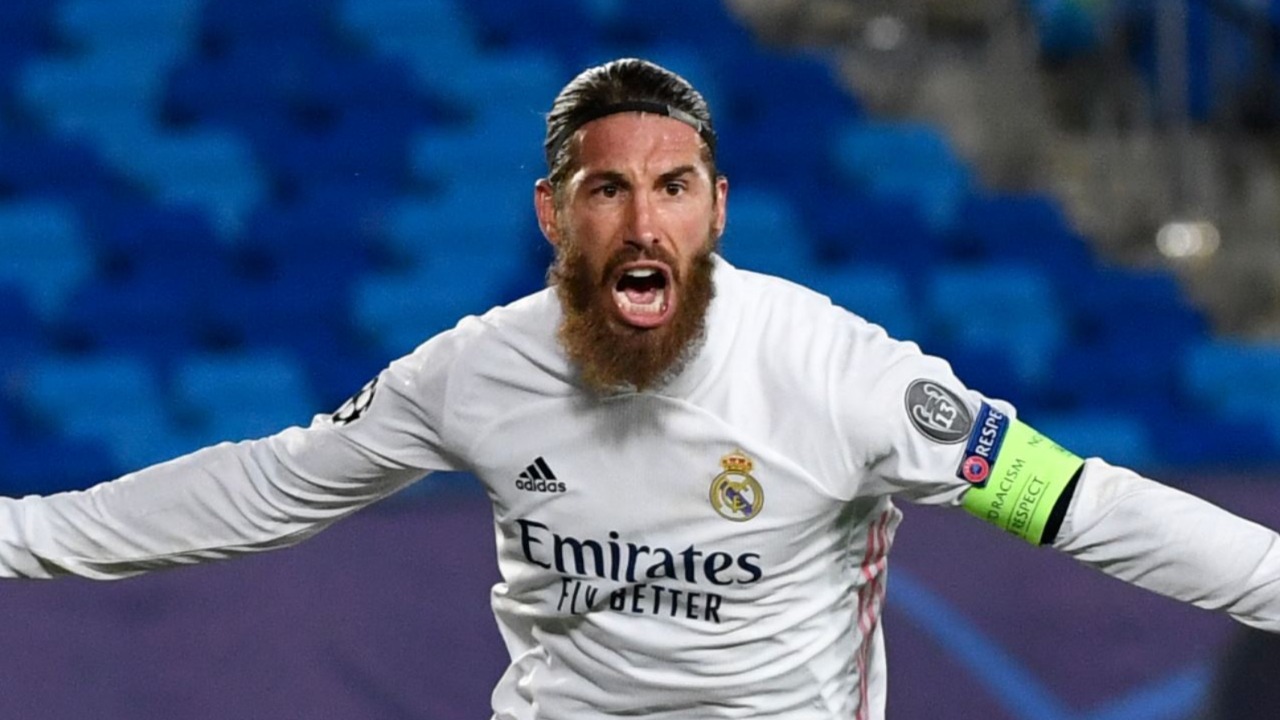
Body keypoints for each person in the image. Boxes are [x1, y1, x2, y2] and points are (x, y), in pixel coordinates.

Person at [2, 57, 1278, 720]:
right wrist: (18, 535)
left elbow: (1081, 504)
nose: (640, 219)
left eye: (671, 187)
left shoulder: (843, 378)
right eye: (605, 188)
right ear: (553, 214)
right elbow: (265, 487)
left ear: (716, 211)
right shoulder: (475, 370)